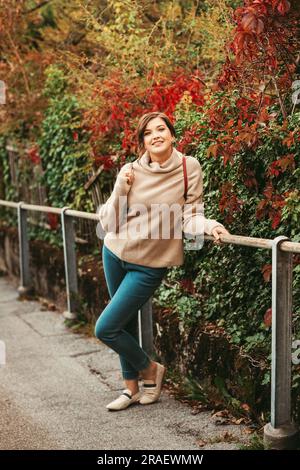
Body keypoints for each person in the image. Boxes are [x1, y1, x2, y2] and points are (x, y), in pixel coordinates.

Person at [95, 111, 230, 411]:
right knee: (123, 323)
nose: (155, 135)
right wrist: (120, 187)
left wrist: (210, 226)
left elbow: (191, 216)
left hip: (150, 265)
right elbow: (110, 222)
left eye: (161, 129)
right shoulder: (130, 170)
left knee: (105, 328)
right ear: (142, 141)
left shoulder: (188, 167)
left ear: (171, 134)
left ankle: (151, 371)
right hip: (115, 251)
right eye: (148, 132)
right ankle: (130, 389)